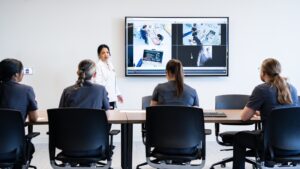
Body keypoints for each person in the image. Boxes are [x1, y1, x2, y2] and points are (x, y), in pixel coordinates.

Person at [232, 58, 298, 169]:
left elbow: (244, 117)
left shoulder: (261, 89)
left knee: (238, 137)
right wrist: (264, 111)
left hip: (270, 143)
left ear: (263, 72)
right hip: (294, 142)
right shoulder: (293, 89)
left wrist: (254, 111)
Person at [0, 58, 38, 166]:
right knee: (29, 147)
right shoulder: (26, 90)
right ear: (16, 74)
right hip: (15, 147)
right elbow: (34, 118)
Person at [94, 44, 123, 109]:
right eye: (103, 53)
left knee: (112, 117)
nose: (106, 54)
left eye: (107, 52)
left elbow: (113, 82)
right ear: (99, 55)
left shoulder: (110, 64)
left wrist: (118, 94)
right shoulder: (98, 66)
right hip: (104, 98)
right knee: (106, 117)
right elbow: (97, 83)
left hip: (112, 97)